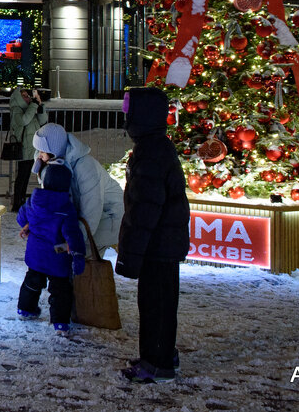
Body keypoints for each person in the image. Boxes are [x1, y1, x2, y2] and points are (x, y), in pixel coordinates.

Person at [116, 86, 191, 384]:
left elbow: (144, 211)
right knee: (157, 302)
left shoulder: (151, 154)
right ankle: (159, 353)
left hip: (158, 245)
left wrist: (130, 255)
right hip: (161, 243)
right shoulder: (155, 147)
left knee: (156, 304)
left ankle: (157, 362)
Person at [32, 122, 123, 256]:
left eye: (42, 150)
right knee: (61, 252)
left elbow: (92, 209)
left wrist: (75, 242)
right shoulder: (49, 163)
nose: (38, 155)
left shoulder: (86, 167)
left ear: (53, 150)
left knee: (83, 258)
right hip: (80, 217)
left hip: (107, 216)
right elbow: (51, 199)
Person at [15, 163, 86, 332]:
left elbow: (20, 217)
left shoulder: (33, 200)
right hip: (57, 253)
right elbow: (72, 233)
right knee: (60, 289)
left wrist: (27, 225)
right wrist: (78, 255)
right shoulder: (66, 207)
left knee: (32, 281)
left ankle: (25, 309)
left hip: (36, 252)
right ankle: (60, 321)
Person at [8, 87, 47, 212]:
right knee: (22, 176)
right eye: (24, 95)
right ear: (18, 98)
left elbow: (43, 120)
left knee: (26, 175)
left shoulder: (30, 109)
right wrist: (33, 106)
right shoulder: (17, 110)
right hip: (24, 147)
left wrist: (40, 106)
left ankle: (21, 201)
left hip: (33, 147)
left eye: (27, 95)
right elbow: (24, 121)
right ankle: (17, 203)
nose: (28, 97)